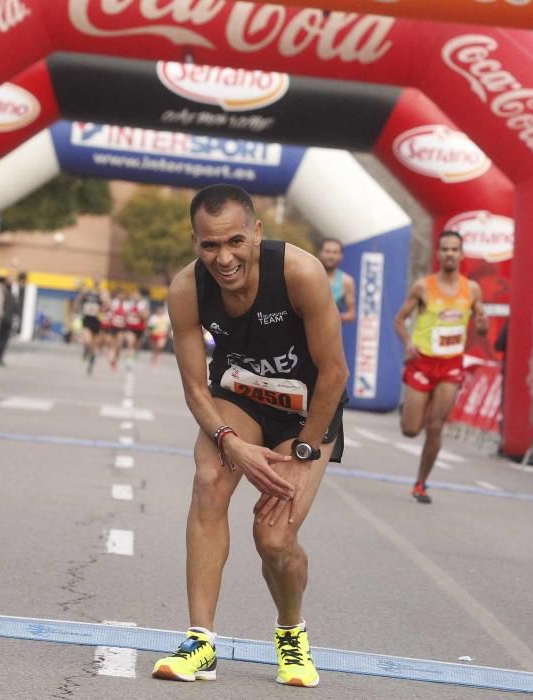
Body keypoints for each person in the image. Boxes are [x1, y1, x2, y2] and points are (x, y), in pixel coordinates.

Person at [153, 184, 348, 688]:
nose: (224, 258)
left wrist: (304, 454)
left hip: (305, 411)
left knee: (275, 537)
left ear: (257, 233)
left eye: (235, 241)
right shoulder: (186, 290)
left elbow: (334, 374)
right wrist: (229, 441)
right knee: (209, 479)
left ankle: (291, 632)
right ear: (195, 242)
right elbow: (196, 389)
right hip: (238, 399)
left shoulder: (300, 273)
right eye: (209, 245)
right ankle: (201, 642)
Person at [394, 231, 488, 504]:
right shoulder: (424, 286)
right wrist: (408, 343)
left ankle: (421, 483)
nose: (449, 254)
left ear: (461, 254)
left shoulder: (471, 289)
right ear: (438, 254)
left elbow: (481, 323)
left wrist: (483, 325)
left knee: (436, 427)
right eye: (444, 249)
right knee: (411, 430)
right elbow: (400, 319)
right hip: (423, 361)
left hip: (450, 365)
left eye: (454, 249)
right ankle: (409, 409)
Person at [317, 238, 355, 323]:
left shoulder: (347, 281)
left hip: (332, 333)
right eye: (327, 251)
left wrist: (332, 317)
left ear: (341, 256)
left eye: (335, 252)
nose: (331, 256)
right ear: (320, 253)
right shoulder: (308, 276)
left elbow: (351, 314)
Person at [74, 279, 106, 375]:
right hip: (87, 320)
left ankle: (91, 363)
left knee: (93, 345)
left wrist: (105, 298)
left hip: (96, 321)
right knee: (88, 341)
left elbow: (106, 306)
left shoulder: (101, 295)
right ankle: (86, 350)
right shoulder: (86, 294)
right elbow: (78, 302)